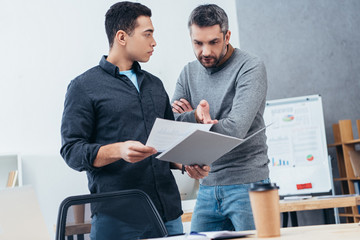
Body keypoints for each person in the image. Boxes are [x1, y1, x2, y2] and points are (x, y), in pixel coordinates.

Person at [60, 2, 208, 238]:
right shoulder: (83, 87)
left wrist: (187, 164)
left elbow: (166, 147)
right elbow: (71, 151)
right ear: (121, 37)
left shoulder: (155, 85)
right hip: (118, 219)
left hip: (167, 216)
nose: (154, 42)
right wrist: (118, 150)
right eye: (147, 34)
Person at [171, 4, 270, 232]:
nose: (205, 52)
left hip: (247, 184)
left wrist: (193, 125)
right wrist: (195, 117)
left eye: (213, 42)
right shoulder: (188, 72)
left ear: (227, 36)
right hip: (207, 186)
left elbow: (235, 129)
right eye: (198, 43)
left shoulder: (250, 67)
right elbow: (172, 127)